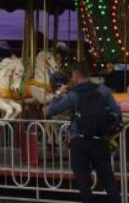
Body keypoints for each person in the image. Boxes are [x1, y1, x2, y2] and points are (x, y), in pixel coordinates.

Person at [48, 62, 122, 203]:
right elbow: (117, 114)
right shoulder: (104, 90)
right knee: (108, 179)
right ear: (89, 74)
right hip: (100, 140)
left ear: (76, 75)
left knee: (84, 182)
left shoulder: (73, 94)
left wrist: (58, 93)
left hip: (79, 140)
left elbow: (52, 110)